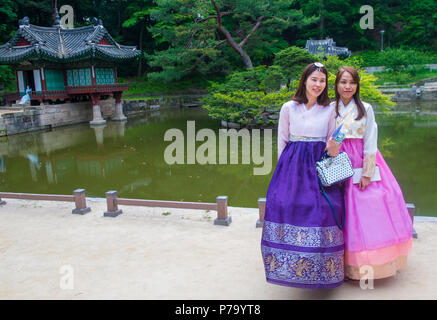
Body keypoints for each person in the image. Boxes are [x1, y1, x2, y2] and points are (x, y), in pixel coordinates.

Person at [261, 62, 344, 289]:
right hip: (292, 163)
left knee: (322, 211)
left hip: (317, 163)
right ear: (304, 81)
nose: (318, 85)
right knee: (284, 204)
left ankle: (321, 270)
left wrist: (332, 153)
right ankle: (288, 267)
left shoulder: (330, 109)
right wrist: (282, 173)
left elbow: (331, 143)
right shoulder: (289, 107)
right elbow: (282, 140)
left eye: (322, 81)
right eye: (314, 79)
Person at [332, 66, 412, 280]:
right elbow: (328, 139)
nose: (347, 86)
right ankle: (340, 264)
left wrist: (367, 172)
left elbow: (370, 140)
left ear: (357, 85)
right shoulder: (330, 108)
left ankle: (368, 265)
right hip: (338, 158)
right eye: (343, 82)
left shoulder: (365, 108)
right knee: (340, 210)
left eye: (352, 82)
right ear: (337, 85)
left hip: (360, 158)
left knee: (367, 210)